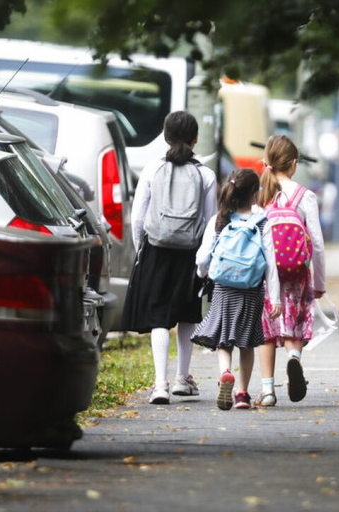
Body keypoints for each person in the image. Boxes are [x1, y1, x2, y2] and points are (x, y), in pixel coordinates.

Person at [121, 111, 218, 405]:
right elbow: (210, 220)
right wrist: (206, 261)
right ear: (196, 138)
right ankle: (181, 378)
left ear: (165, 136)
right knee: (188, 314)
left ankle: (159, 384)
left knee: (159, 317)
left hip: (157, 250)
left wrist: (143, 250)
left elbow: (138, 217)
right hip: (190, 252)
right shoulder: (206, 174)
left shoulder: (152, 169)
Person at [191, 169, 281, 410]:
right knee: (247, 342)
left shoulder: (220, 220)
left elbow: (202, 257)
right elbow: (271, 263)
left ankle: (225, 372)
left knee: (224, 340)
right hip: (252, 289)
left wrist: (202, 273)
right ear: (254, 193)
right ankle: (242, 394)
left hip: (223, 287)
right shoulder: (262, 222)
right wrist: (276, 298)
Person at [256, 135, 327, 407]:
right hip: (297, 272)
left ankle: (267, 390)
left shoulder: (261, 195)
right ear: (294, 164)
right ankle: (294, 359)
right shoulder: (305, 195)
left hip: (267, 273)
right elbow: (317, 244)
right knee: (292, 325)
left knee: (267, 329)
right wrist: (319, 282)